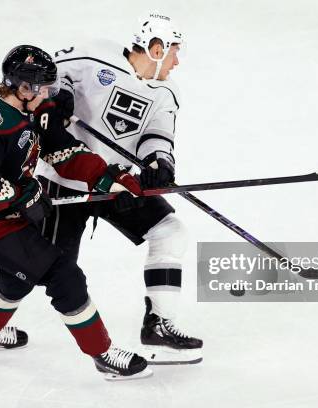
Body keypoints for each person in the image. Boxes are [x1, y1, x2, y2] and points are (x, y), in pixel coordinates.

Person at [0, 44, 152, 380]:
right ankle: (102, 354)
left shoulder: (33, 108)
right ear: (23, 88)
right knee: (63, 275)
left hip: (8, 215)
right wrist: (25, 197)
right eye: (43, 88)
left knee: (16, 277)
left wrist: (106, 178)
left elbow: (62, 151)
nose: (49, 94)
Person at [35, 13, 203, 365]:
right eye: (173, 51)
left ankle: (158, 322)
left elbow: (157, 136)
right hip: (67, 180)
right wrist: (60, 92)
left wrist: (160, 163)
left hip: (116, 183)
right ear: (155, 49)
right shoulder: (94, 55)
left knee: (169, 232)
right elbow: (47, 71)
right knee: (46, 269)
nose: (177, 60)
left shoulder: (167, 91)